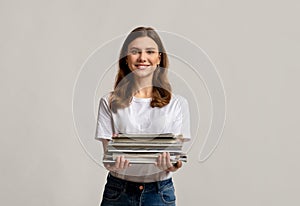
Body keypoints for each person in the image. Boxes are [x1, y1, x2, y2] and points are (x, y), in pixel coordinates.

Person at [95, 26, 191, 206]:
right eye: (135, 52)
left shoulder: (177, 104)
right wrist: (114, 163)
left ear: (159, 58)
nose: (142, 58)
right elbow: (108, 158)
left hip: (159, 193)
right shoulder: (109, 101)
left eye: (150, 51)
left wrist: (171, 164)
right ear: (126, 58)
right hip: (118, 192)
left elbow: (176, 160)